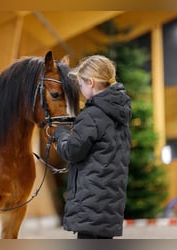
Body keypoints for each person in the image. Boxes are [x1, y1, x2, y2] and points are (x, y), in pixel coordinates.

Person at [53, 55, 132, 239]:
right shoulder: (120, 114)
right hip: (110, 206)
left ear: (91, 82)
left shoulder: (91, 116)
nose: (80, 90)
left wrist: (61, 133)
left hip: (90, 205)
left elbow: (71, 151)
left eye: (81, 85)